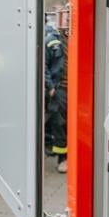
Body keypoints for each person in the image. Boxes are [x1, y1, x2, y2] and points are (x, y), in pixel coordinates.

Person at [45, 23, 68, 173]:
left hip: (78, 90)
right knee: (59, 123)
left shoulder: (84, 37)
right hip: (60, 89)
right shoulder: (52, 42)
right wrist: (50, 86)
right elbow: (43, 65)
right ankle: (63, 159)